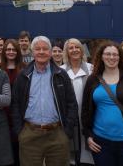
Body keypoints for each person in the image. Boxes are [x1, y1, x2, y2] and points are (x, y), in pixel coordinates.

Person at [12, 35, 78, 166]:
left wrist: (67, 132)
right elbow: (15, 104)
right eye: (37, 49)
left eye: (45, 49)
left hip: (57, 134)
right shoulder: (23, 75)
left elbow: (72, 103)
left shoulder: (61, 74)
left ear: (50, 52)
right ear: (32, 52)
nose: (41, 52)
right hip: (30, 134)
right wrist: (20, 132)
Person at [61, 38, 94, 165]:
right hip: (69, 118)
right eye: (71, 48)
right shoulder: (61, 71)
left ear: (82, 50)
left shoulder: (92, 69)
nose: (74, 50)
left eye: (77, 47)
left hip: (88, 117)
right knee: (71, 157)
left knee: (87, 155)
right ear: (67, 52)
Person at [0, 38, 25, 166]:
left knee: (19, 153)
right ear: (4, 51)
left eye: (13, 49)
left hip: (20, 117)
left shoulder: (25, 69)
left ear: (18, 52)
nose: (11, 52)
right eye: (8, 49)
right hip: (2, 116)